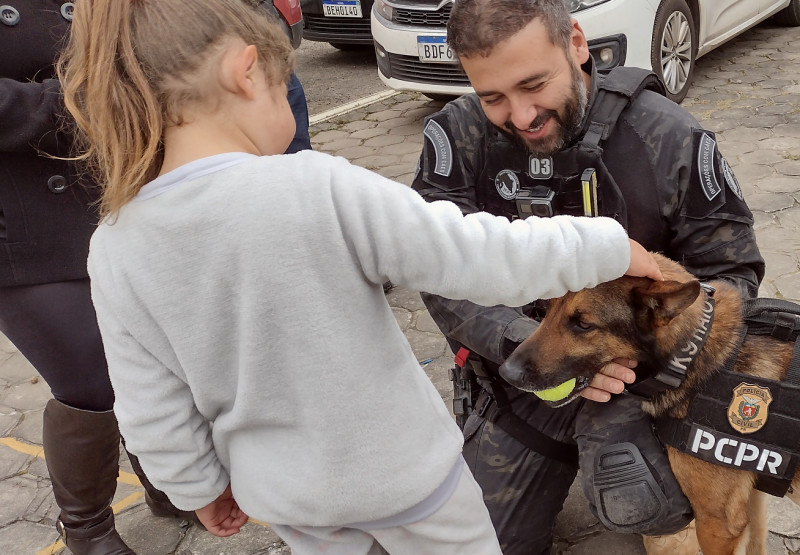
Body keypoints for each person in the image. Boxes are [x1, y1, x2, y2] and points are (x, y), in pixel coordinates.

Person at [57, 0, 664, 553]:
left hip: (293, 502)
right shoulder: (317, 186)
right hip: (410, 481)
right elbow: (478, 254)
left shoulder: (114, 245)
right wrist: (608, 247)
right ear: (247, 73)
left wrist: (196, 486)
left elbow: (149, 404)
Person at [410, 1, 766, 554]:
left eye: (534, 84)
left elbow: (732, 274)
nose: (522, 115)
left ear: (576, 42)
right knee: (481, 545)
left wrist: (653, 357)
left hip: (646, 386)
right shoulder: (457, 138)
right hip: (521, 374)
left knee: (664, 513)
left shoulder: (667, 135)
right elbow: (433, 271)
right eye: (493, 97)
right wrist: (515, 342)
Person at [0, 1, 312, 553]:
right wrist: (79, 97)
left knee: (152, 352)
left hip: (111, 186)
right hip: (20, 223)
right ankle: (87, 527)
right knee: (92, 382)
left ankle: (167, 484)